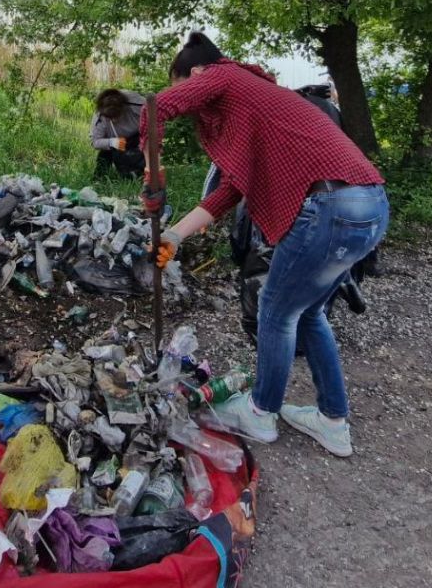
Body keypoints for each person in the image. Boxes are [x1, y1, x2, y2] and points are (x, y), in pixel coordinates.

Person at [141, 32, 388, 457]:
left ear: (197, 73)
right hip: (368, 206)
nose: (191, 101)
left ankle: (260, 413)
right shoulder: (256, 103)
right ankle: (332, 420)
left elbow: (155, 109)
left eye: (185, 84)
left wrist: (152, 175)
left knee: (274, 310)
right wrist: (176, 235)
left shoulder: (222, 76)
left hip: (326, 207)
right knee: (308, 312)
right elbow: (234, 189)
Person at [90, 88, 147, 178]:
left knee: (146, 148)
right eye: (110, 117)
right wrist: (111, 142)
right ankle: (99, 179)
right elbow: (95, 141)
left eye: (116, 115)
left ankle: (144, 173)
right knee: (105, 153)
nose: (114, 119)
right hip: (117, 142)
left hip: (139, 136)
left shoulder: (138, 104)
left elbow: (154, 120)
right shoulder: (100, 117)